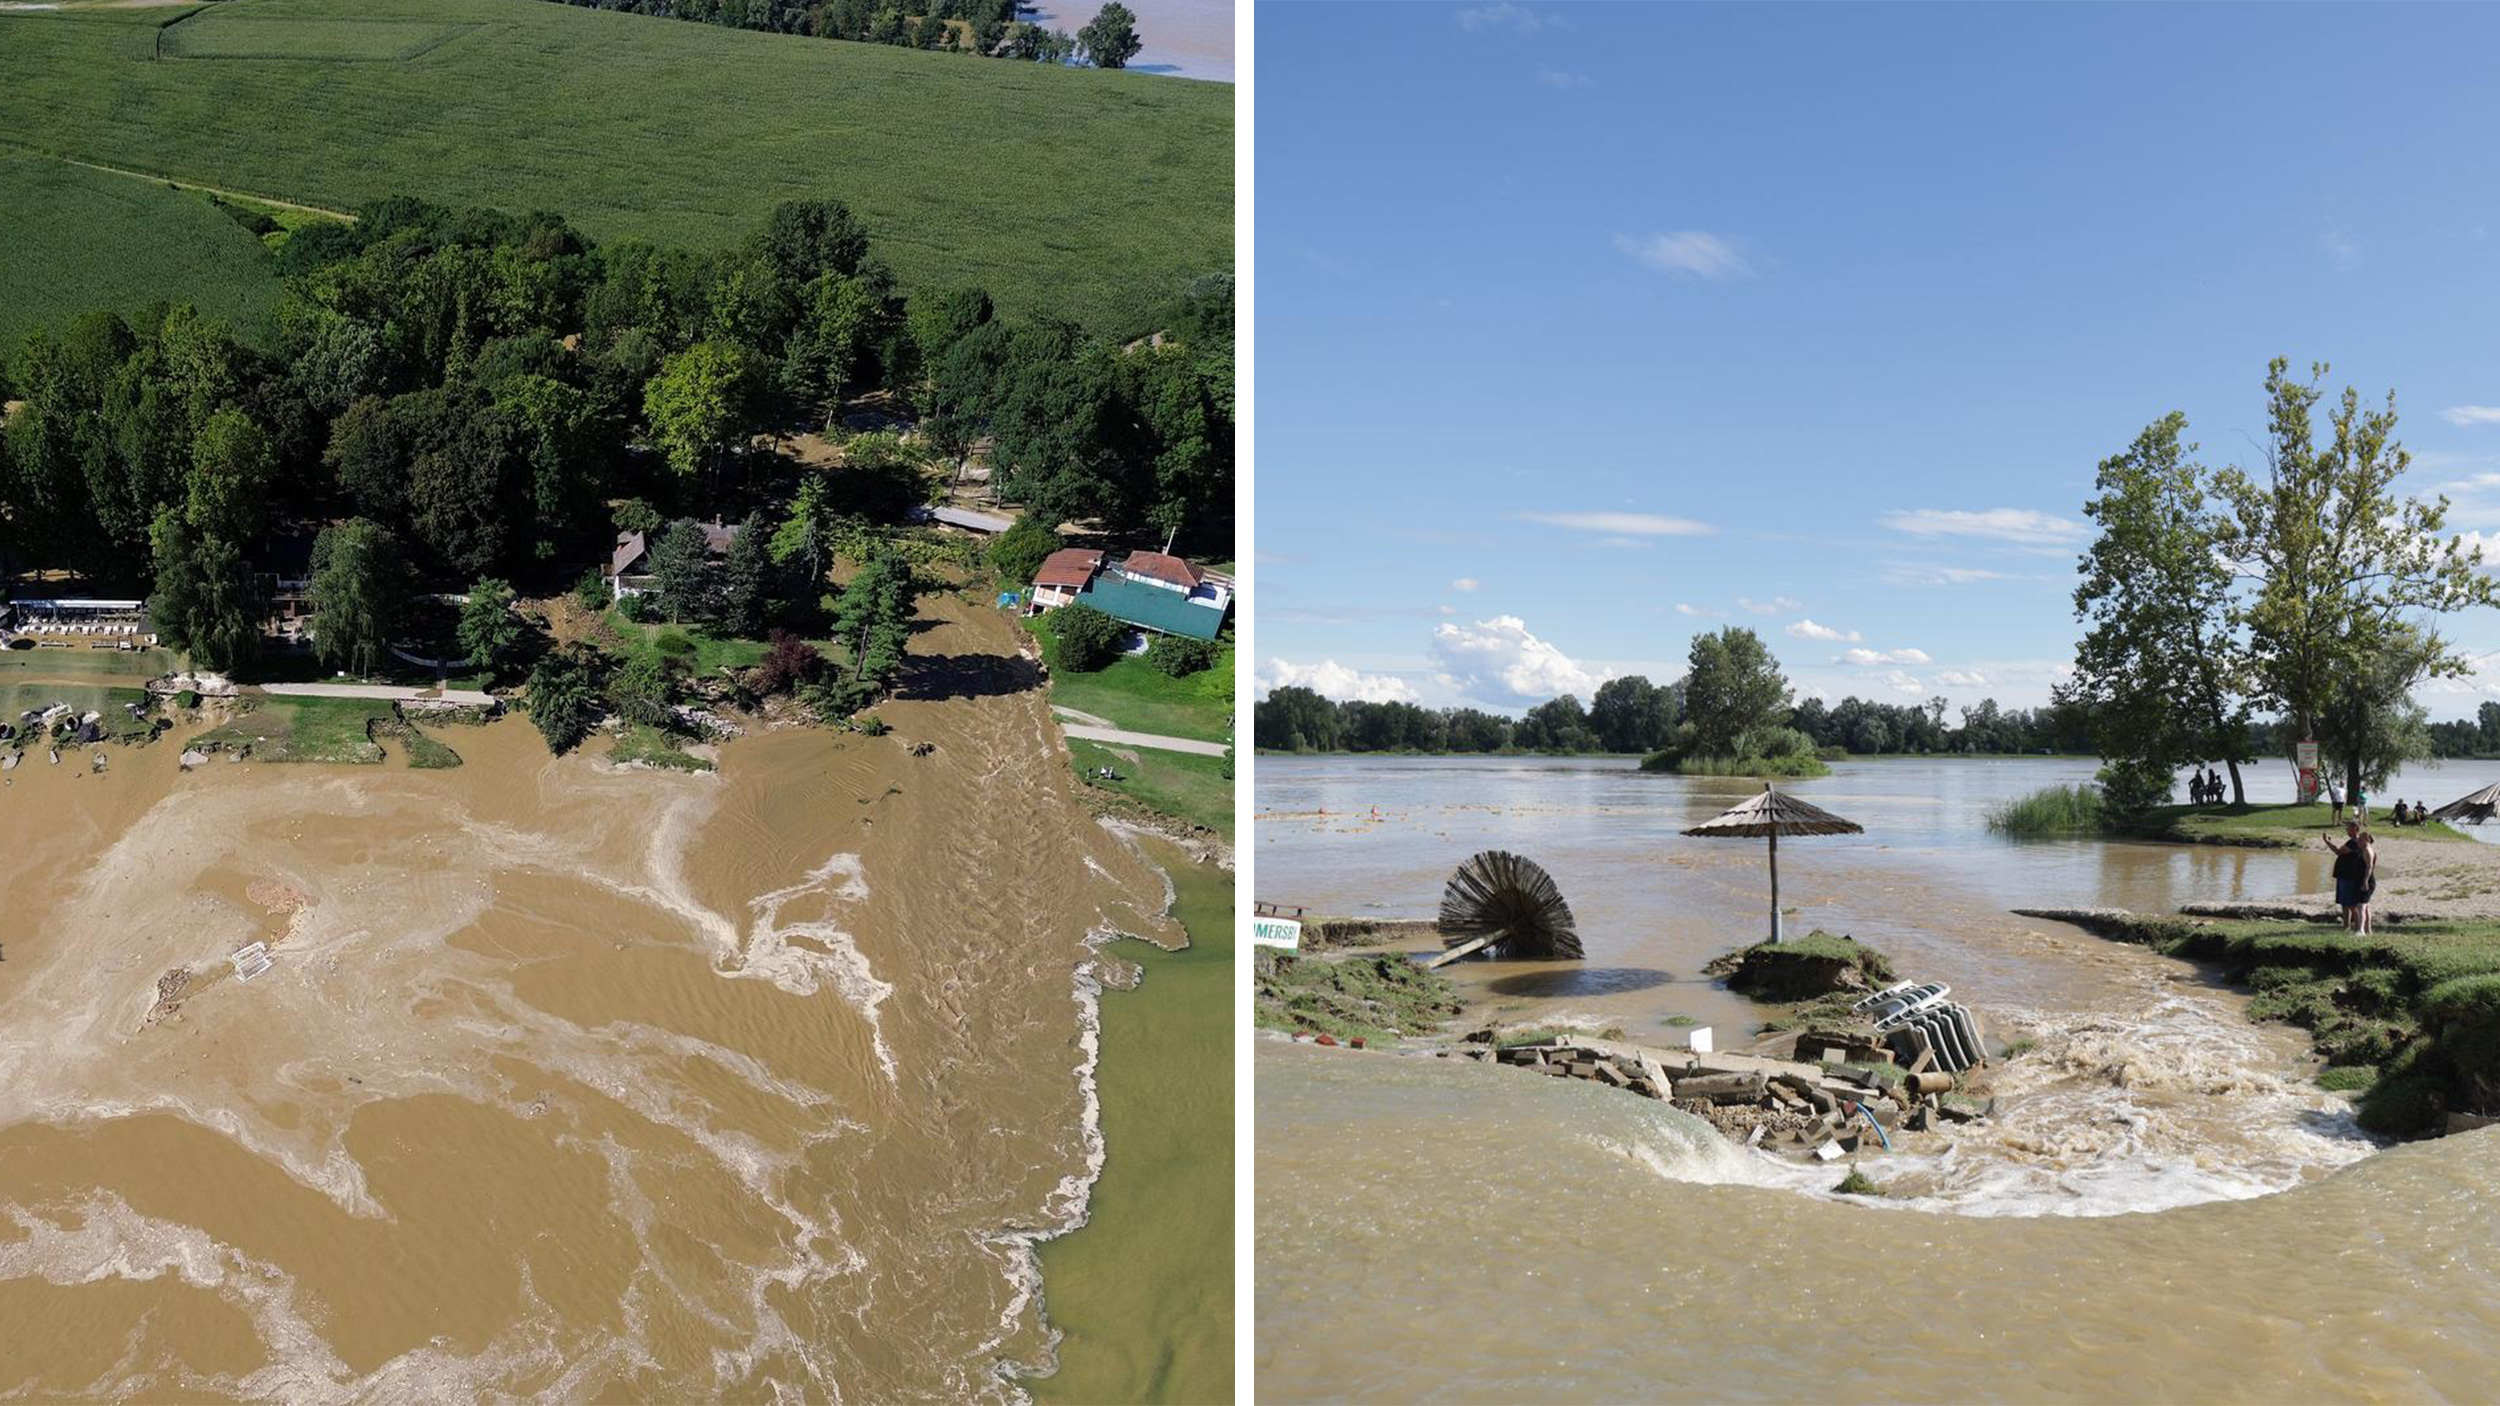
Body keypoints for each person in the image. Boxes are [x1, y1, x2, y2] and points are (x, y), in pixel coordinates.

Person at [2324, 820, 2378, 934]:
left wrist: (2327, 842)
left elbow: (2338, 852)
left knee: (2353, 904)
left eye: (2348, 828)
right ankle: (2357, 928)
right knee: (2352, 904)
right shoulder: (2360, 845)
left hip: (2348, 876)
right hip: (2351, 876)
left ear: (2355, 829)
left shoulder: (2356, 843)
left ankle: (2356, 928)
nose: (2346, 830)